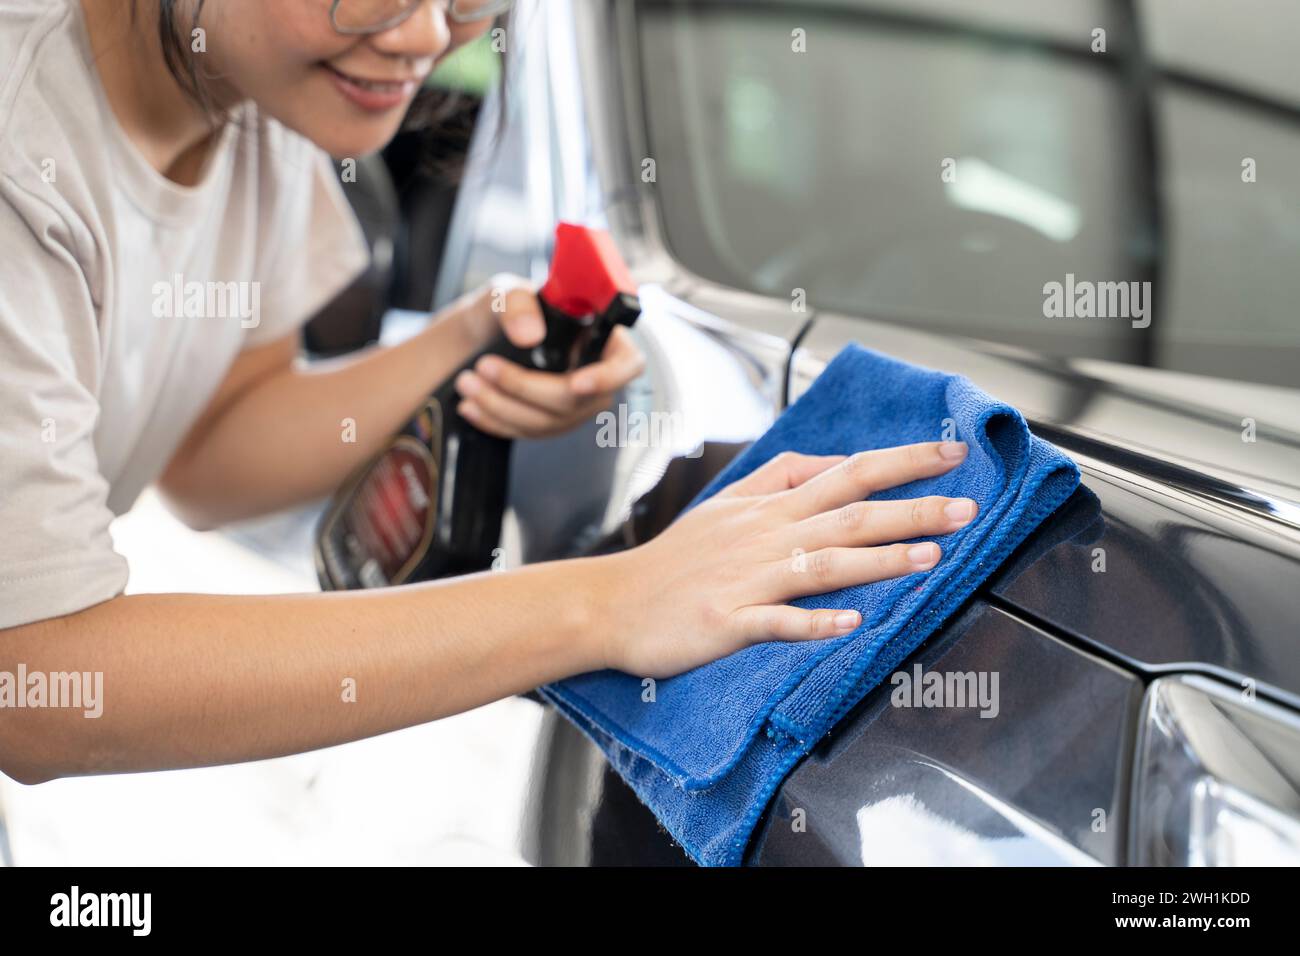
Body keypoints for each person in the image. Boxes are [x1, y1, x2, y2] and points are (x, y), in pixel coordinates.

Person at [0, 0, 978, 785]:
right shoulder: (21, 152)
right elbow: (36, 682)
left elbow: (210, 451)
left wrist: (468, 334)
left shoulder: (255, 93)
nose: (428, 34)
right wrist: (611, 601)